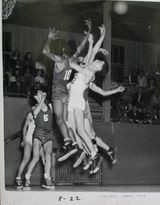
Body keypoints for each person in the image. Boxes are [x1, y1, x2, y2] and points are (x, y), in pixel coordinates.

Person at [67, 25, 125, 174]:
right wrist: (99, 39)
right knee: (82, 132)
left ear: (98, 69)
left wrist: (78, 56)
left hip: (79, 102)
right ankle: (96, 153)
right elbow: (102, 93)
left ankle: (92, 155)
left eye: (98, 63)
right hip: (73, 101)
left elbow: (73, 63)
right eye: (97, 61)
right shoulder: (89, 74)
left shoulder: (87, 72)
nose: (95, 61)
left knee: (81, 132)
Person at [42, 20, 92, 162]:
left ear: (63, 50)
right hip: (66, 94)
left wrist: (49, 38)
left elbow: (45, 51)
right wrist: (88, 32)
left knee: (59, 120)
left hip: (58, 93)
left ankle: (69, 144)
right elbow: (81, 47)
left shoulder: (59, 60)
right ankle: (74, 144)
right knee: (64, 121)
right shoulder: (71, 61)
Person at [23, 89, 55, 190]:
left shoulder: (50, 106)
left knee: (48, 156)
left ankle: (47, 178)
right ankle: (27, 179)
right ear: (36, 97)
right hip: (38, 134)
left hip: (49, 134)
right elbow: (36, 112)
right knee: (36, 157)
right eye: (39, 93)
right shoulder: (34, 108)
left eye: (42, 92)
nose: (42, 93)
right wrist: (42, 99)